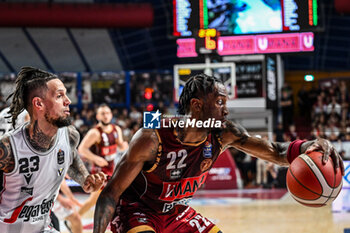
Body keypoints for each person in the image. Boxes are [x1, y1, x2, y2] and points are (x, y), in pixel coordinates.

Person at [93, 74, 344, 233]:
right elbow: (110, 193)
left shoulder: (223, 133)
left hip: (177, 213)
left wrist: (310, 145)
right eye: (220, 102)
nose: (226, 110)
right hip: (138, 211)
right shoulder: (152, 137)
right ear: (197, 105)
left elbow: (277, 152)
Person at [0, 67, 107, 233]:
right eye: (59, 96)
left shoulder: (70, 135)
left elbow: (72, 165)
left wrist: (87, 181)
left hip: (43, 228)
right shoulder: (7, 149)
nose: (68, 101)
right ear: (38, 104)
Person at [78, 104, 127, 216]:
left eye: (108, 113)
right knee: (94, 200)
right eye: (103, 113)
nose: (106, 116)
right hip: (99, 171)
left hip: (112, 168)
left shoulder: (116, 129)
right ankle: (75, 218)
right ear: (97, 116)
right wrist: (96, 158)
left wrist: (123, 145)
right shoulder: (95, 132)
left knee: (115, 198)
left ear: (111, 115)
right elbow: (81, 148)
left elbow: (120, 145)